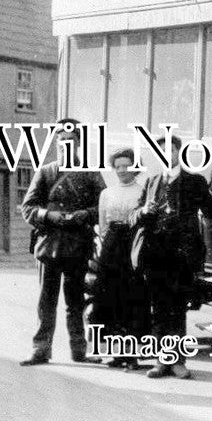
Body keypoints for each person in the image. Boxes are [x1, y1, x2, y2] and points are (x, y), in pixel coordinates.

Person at [20, 120, 106, 366]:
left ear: (78, 144)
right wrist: (48, 215)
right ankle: (40, 350)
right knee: (46, 300)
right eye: (61, 142)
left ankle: (79, 351)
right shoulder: (45, 172)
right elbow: (28, 207)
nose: (65, 146)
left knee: (75, 301)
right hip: (49, 246)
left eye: (70, 142)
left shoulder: (91, 173)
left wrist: (86, 215)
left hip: (78, 245)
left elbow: (104, 204)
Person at [130, 134, 212, 380]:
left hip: (182, 256)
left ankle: (178, 362)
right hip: (156, 254)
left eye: (171, 150)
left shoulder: (195, 181)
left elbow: (211, 211)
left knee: (178, 309)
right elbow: (133, 216)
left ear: (180, 153)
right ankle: (161, 361)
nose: (167, 155)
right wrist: (143, 211)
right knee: (159, 308)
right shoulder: (151, 182)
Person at [89, 148, 149, 370]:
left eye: (127, 166)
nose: (123, 170)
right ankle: (116, 353)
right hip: (112, 247)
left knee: (132, 298)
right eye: (118, 166)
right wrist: (109, 243)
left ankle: (132, 355)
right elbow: (103, 225)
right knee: (110, 297)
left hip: (133, 244)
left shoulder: (142, 191)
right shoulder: (107, 193)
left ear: (135, 167)